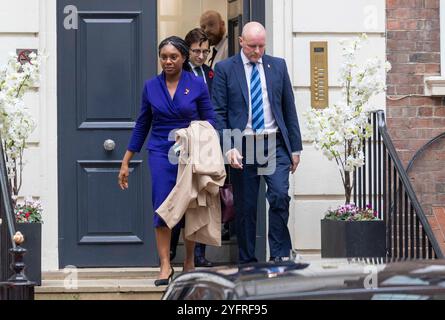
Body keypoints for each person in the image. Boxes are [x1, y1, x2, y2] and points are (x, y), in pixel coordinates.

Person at [118, 36, 216, 286]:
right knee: (162, 205)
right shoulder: (151, 86)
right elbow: (143, 124)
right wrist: (126, 160)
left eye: (173, 57)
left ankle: (189, 262)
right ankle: (164, 265)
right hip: (161, 152)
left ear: (183, 58)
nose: (168, 61)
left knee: (190, 207)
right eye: (164, 57)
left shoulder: (196, 85)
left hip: (189, 153)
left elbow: (211, 120)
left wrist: (197, 137)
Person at [212, 22, 303, 264]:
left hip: (275, 144)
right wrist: (229, 147)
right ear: (241, 42)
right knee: (246, 208)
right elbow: (219, 113)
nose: (257, 51)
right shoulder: (224, 69)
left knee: (280, 196)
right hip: (243, 146)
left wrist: (295, 148)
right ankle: (247, 262)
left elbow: (288, 108)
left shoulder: (278, 66)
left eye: (262, 46)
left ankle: (279, 255)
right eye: (252, 46)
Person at [169, 28, 215, 268]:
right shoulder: (177, 71)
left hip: (204, 142)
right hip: (179, 142)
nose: (201, 55)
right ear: (187, 52)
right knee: (179, 196)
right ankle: (169, 252)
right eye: (197, 51)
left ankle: (198, 255)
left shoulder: (210, 73)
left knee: (201, 198)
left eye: (205, 51)